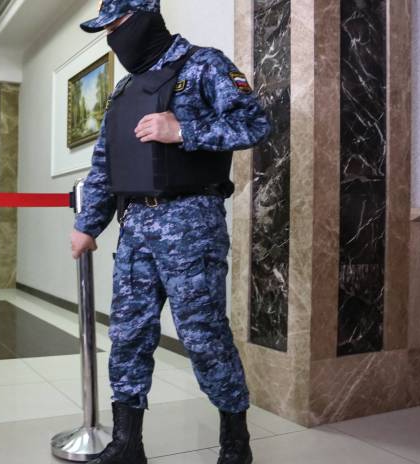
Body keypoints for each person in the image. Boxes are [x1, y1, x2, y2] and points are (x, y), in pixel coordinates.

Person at [69, 2, 270, 464]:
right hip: (135, 226)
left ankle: (235, 444)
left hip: (191, 223)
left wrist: (183, 129)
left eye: (116, 26)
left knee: (203, 337)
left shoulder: (204, 64)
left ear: (143, 18)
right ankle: (127, 444)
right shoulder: (123, 90)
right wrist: (88, 224)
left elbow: (256, 123)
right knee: (128, 334)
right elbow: (105, 163)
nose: (111, 38)